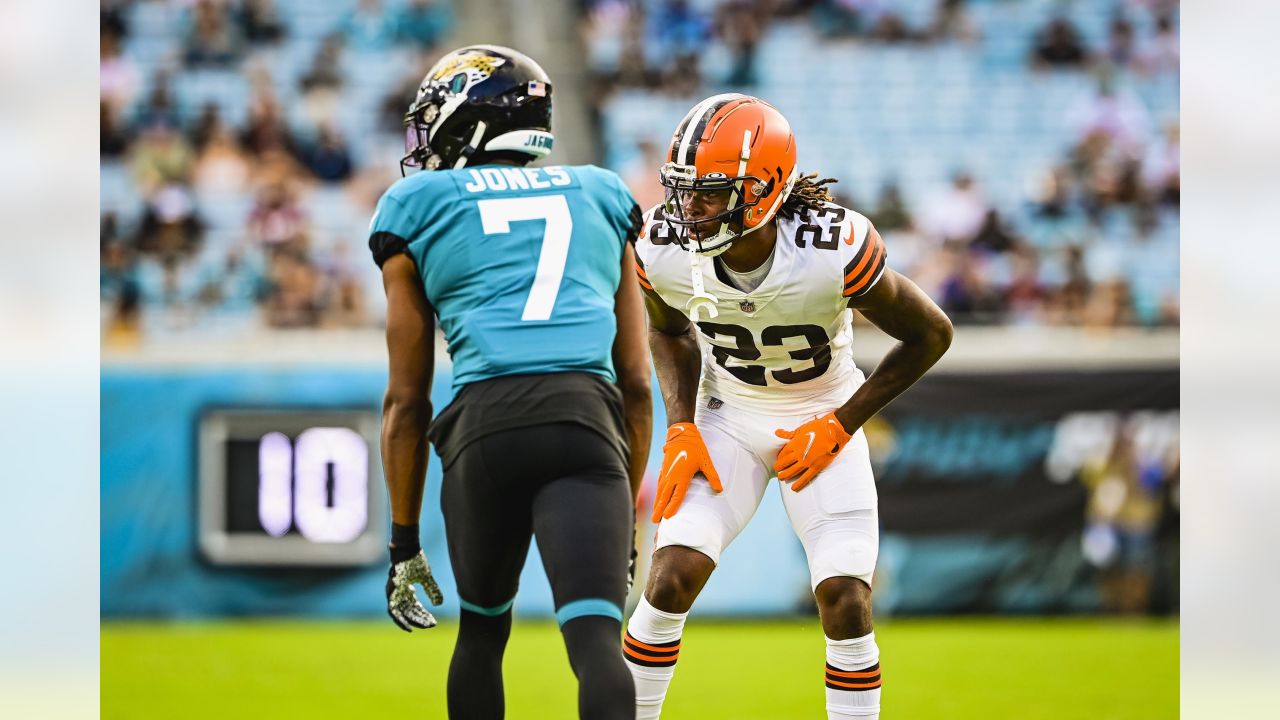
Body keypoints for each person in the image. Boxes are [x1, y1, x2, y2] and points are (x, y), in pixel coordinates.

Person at [625, 94, 953, 720]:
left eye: (711, 193)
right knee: (667, 581)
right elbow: (667, 331)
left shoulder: (832, 247)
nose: (689, 209)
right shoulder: (662, 246)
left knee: (846, 598)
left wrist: (841, 424)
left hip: (822, 411)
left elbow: (930, 334)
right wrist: (683, 427)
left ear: (764, 189)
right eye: (683, 191)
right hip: (728, 415)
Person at [370, 45, 652, 720]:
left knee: (481, 635)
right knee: (595, 643)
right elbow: (637, 383)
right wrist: (628, 524)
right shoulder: (602, 192)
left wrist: (403, 544)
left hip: (484, 429)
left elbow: (406, 400)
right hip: (585, 421)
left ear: (469, 120)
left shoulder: (416, 203)